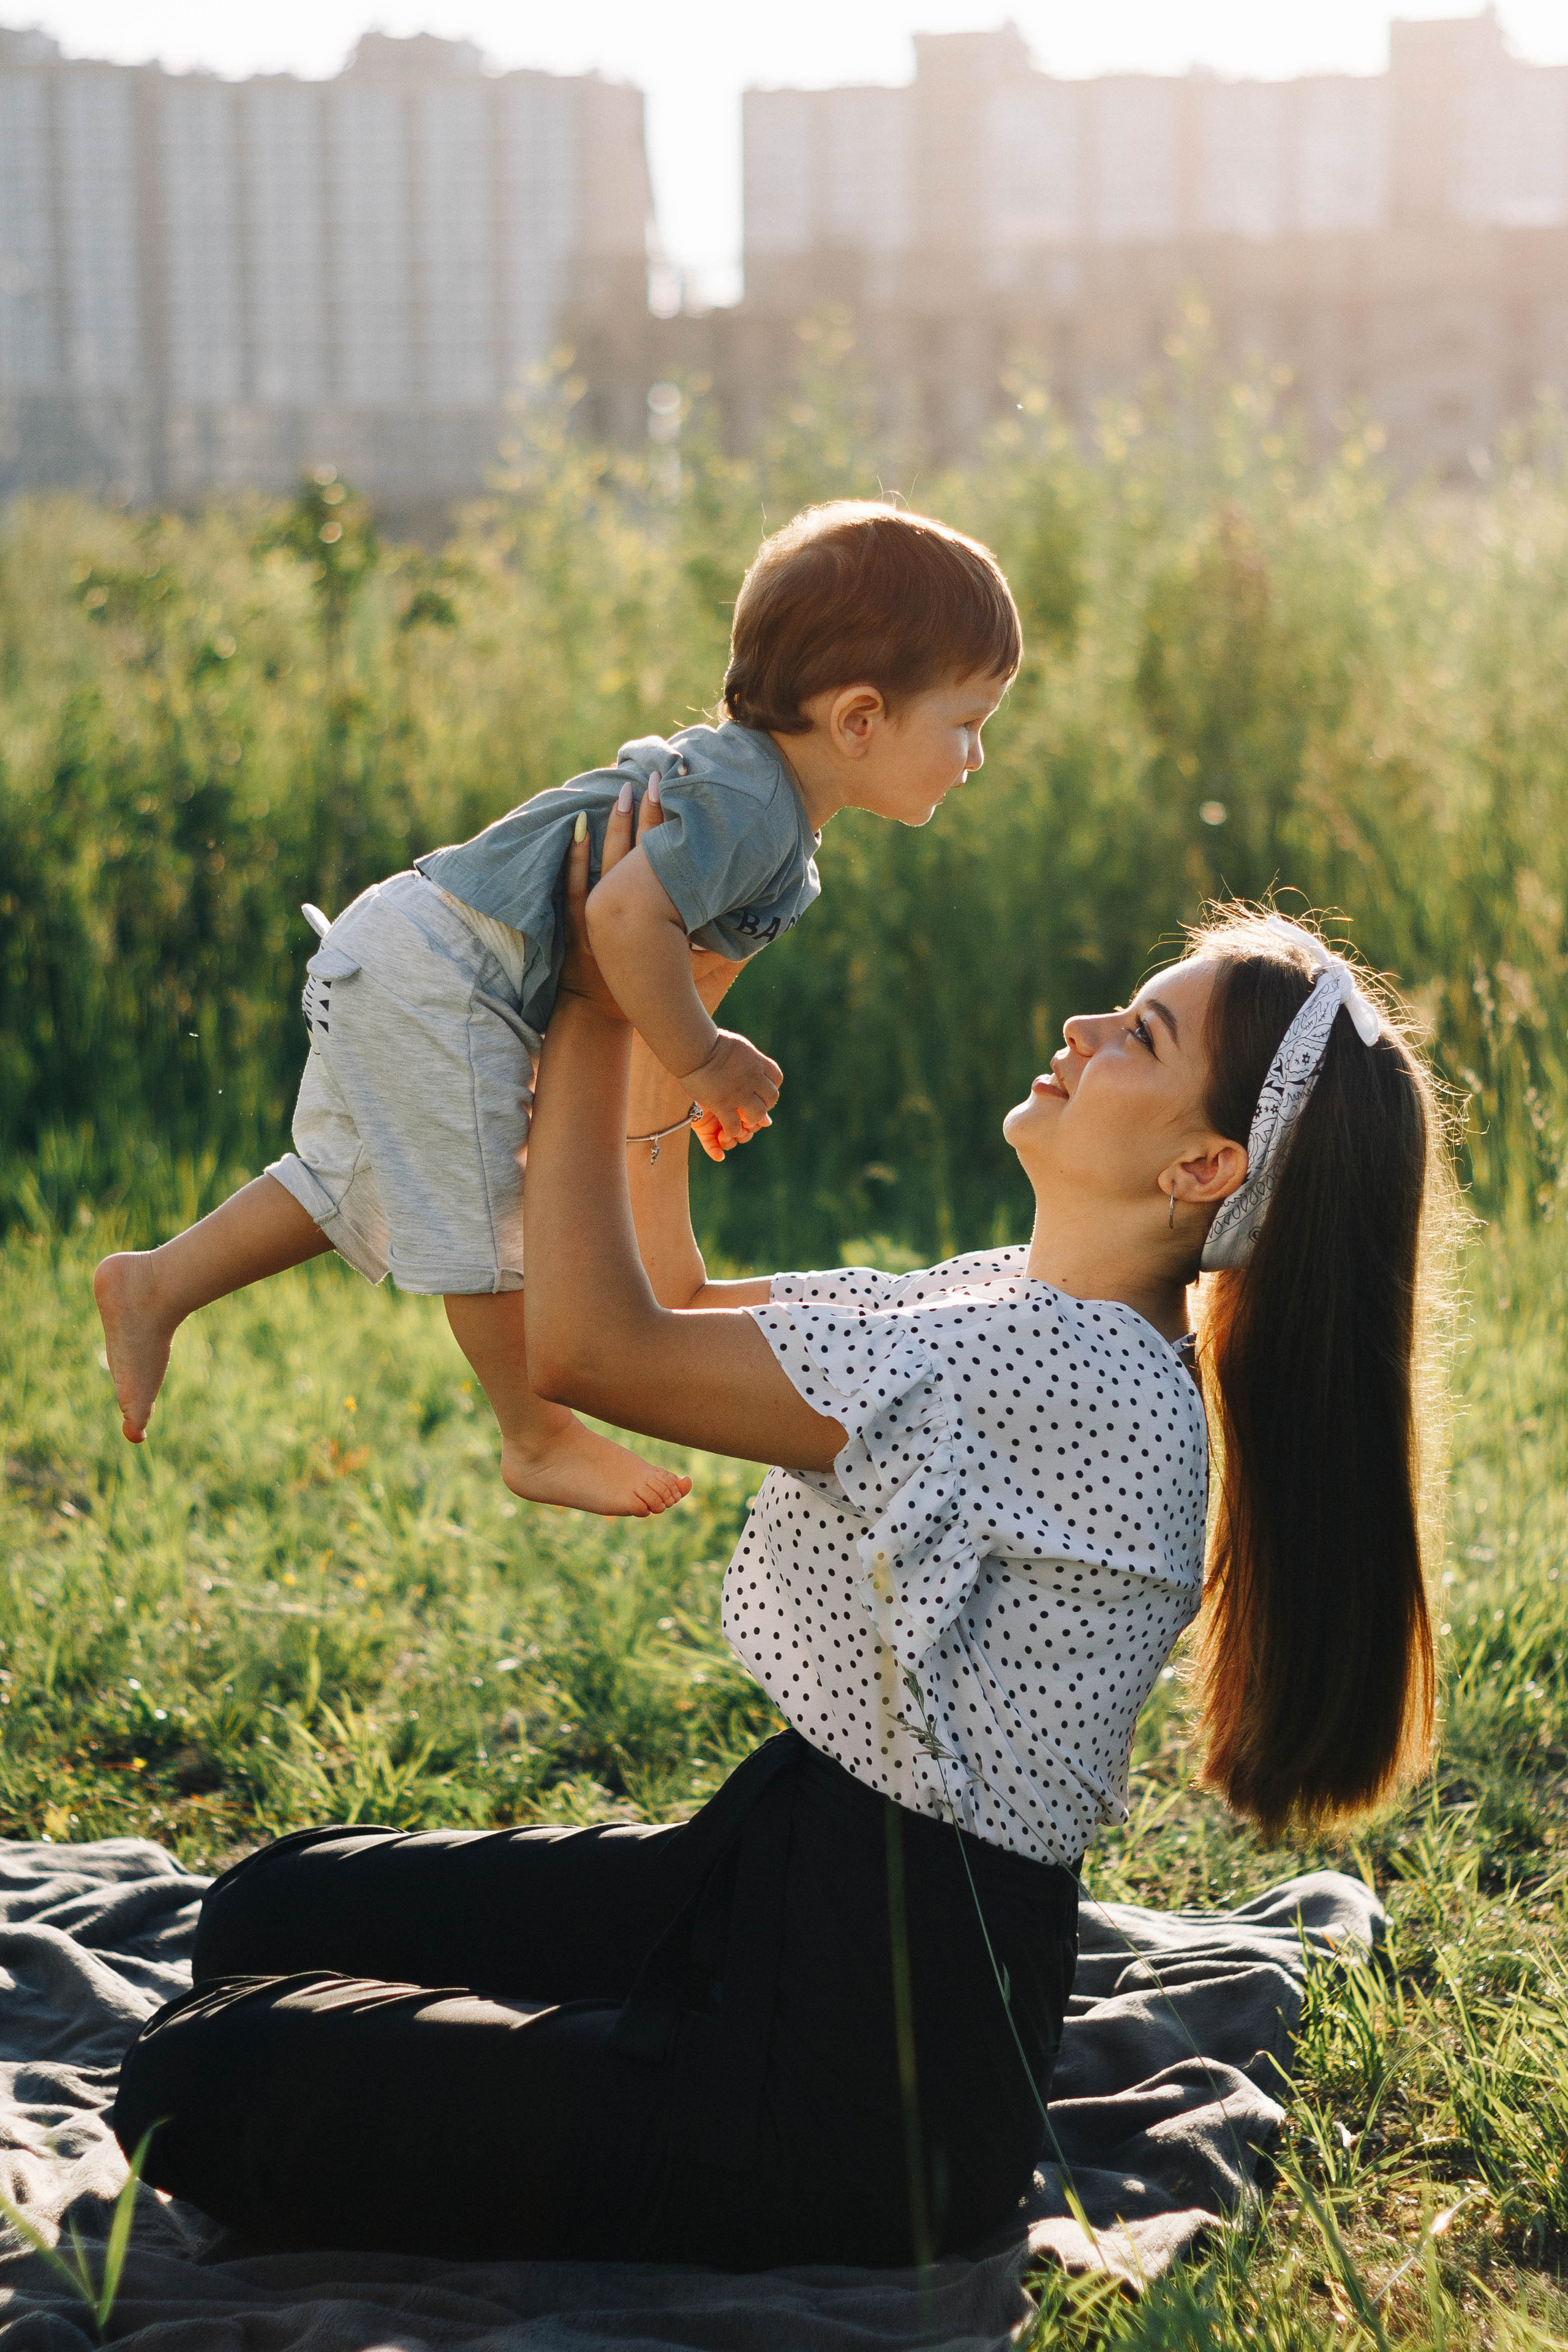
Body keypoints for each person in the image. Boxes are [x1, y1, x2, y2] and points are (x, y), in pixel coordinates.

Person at [110, 801, 1452, 2271]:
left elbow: (592, 1351)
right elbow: (675, 1298)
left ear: (1200, 1168)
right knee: (260, 1912)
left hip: (856, 2100)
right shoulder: (1013, 1304)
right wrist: (672, 1013)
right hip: (772, 1881)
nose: (1080, 1029)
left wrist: (594, 1000)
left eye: (1137, 1034)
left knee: (193, 2078)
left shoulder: (1061, 1373)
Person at [92, 502, 1020, 1517]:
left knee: (349, 1186)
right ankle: (534, 1438)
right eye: (968, 724)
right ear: (859, 719)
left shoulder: (764, 811)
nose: (976, 756)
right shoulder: (755, 808)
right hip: (452, 972)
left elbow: (652, 955)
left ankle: (156, 1283)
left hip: (412, 950)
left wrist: (690, 1073)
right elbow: (621, 917)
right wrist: (704, 1056)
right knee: (494, 1211)